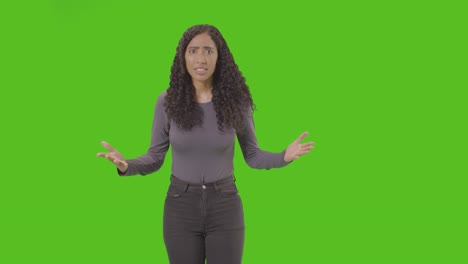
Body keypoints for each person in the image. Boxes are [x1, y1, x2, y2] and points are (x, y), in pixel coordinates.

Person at [97, 24, 314, 264]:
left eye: (209, 51)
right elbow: (155, 157)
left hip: (225, 206)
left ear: (219, 56)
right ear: (183, 57)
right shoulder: (167, 101)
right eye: (193, 51)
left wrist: (284, 156)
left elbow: (252, 155)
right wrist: (127, 165)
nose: (201, 58)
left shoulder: (236, 101)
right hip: (180, 207)